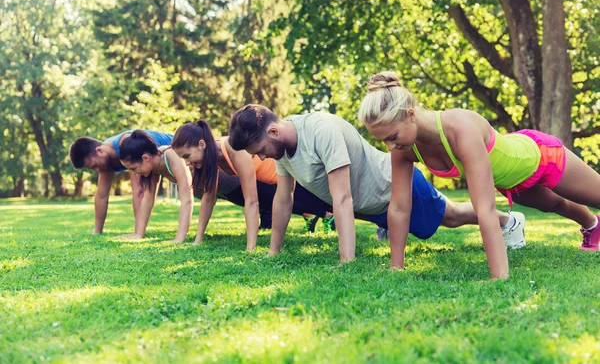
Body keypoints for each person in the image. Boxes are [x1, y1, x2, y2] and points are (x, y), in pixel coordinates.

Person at [358, 71, 600, 279]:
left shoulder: (460, 129)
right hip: (514, 181)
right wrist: (395, 267)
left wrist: (499, 277)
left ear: (410, 115)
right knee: (556, 204)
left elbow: (484, 208)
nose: (389, 147)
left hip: (541, 157)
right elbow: (400, 208)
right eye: (383, 141)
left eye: (392, 137)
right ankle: (593, 226)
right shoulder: (404, 149)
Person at [227, 104, 525, 263]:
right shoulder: (281, 147)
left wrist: (347, 261)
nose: (262, 157)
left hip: (393, 189)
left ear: (274, 132)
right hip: (370, 206)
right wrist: (273, 251)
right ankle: (386, 227)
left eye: (261, 150)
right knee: (442, 218)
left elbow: (342, 199)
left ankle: (509, 221)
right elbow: (283, 198)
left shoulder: (321, 131)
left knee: (450, 216)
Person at [170, 120, 336, 249]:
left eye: (187, 156)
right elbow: (208, 199)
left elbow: (251, 201)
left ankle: (328, 217)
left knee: (331, 205)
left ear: (202, 144)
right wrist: (198, 240)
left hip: (293, 182)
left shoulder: (233, 149)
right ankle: (323, 215)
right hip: (274, 186)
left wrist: (251, 248)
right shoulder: (212, 159)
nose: (186, 163)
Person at [69, 130, 173, 236]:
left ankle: (139, 231)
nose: (96, 170)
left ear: (99, 151)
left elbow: (139, 191)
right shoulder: (105, 158)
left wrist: (137, 234)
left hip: (176, 147)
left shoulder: (127, 144)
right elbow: (101, 196)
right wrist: (97, 232)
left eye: (94, 165)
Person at [118, 130, 193, 242]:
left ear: (145, 158)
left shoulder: (172, 156)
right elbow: (147, 200)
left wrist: (179, 238)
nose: (133, 173)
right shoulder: (153, 169)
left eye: (133, 168)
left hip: (224, 182)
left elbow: (187, 199)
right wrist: (138, 233)